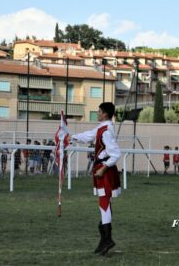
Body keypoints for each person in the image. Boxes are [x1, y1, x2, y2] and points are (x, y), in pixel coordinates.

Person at [71, 102, 121, 256]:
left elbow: (115, 154)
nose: (97, 113)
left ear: (105, 114)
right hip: (101, 169)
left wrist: (103, 168)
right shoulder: (101, 128)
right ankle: (105, 239)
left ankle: (107, 239)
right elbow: (88, 136)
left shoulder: (106, 130)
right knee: (104, 202)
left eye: (99, 111)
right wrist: (70, 135)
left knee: (104, 202)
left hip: (103, 170)